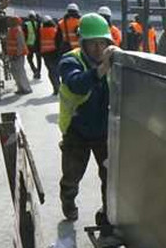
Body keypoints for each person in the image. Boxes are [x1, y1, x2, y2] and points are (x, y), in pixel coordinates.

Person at [58, 13, 116, 222]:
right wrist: (101, 70)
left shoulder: (113, 61)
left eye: (103, 43)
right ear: (83, 43)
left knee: (110, 177)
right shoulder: (70, 60)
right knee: (72, 176)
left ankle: (107, 215)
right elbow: (76, 83)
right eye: (93, 44)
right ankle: (68, 200)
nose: (99, 49)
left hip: (103, 131)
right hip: (77, 131)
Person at [2, 15, 32, 95]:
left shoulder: (17, 30)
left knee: (20, 72)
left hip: (18, 55)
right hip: (12, 54)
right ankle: (20, 88)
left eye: (11, 21)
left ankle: (26, 88)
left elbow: (20, 44)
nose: (9, 22)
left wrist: (17, 54)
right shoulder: (11, 30)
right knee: (15, 72)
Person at [38, 15, 61, 93]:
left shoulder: (40, 31)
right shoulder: (55, 30)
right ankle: (58, 86)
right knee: (56, 70)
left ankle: (55, 87)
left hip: (45, 53)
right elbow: (59, 42)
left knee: (51, 71)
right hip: (54, 53)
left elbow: (37, 42)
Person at [25, 10, 42, 80]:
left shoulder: (26, 24)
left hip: (29, 45)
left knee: (29, 59)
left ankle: (34, 70)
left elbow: (24, 35)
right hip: (37, 44)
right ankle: (38, 72)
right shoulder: (38, 24)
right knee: (38, 59)